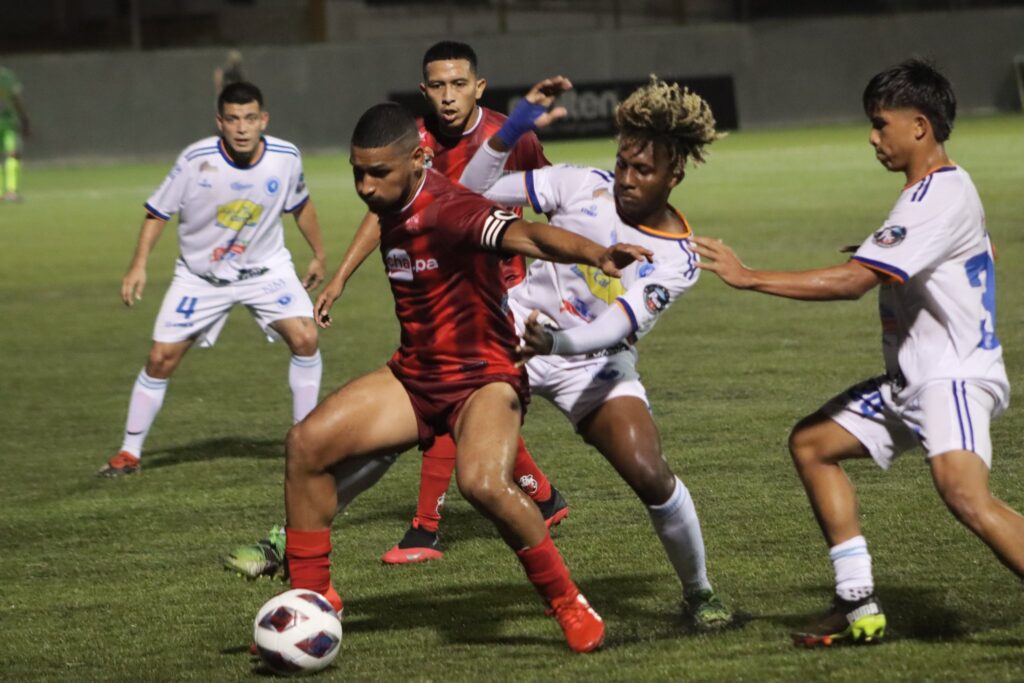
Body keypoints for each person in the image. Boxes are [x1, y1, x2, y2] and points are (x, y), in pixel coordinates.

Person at [283, 101, 652, 652]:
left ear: (418, 159)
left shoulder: (451, 209)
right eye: (357, 172)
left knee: (481, 483)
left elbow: (531, 236)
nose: (364, 186)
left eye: (377, 173)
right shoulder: (392, 199)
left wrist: (598, 254)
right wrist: (339, 278)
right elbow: (379, 214)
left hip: (485, 379)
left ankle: (567, 601)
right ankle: (311, 602)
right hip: (416, 375)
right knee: (306, 445)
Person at [691, 59, 1020, 646]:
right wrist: (882, 256)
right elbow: (975, 251)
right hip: (914, 380)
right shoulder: (941, 189)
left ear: (919, 126)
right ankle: (856, 600)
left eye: (880, 123)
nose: (872, 137)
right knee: (813, 444)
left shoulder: (935, 196)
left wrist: (750, 276)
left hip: (952, 377)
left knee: (967, 498)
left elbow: (851, 284)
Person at [223, 40, 566, 576]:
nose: (448, 96)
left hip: (501, 304)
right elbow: (383, 212)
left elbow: (552, 202)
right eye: (438, 86)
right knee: (446, 411)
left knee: (442, 402)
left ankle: (420, 530)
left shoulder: (510, 136)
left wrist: (565, 283)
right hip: (434, 294)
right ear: (424, 90)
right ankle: (541, 497)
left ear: (477, 87)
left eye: (458, 84)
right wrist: (341, 276)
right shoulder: (410, 141)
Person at [458, 75, 734, 629]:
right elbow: (470, 189)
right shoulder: (581, 183)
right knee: (413, 420)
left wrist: (557, 343)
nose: (627, 179)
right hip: (511, 334)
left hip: (591, 363)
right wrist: (513, 128)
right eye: (623, 164)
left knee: (650, 473)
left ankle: (699, 592)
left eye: (643, 170)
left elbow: (616, 326)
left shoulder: (678, 259)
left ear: (675, 175)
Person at [99, 81, 327, 477]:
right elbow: (158, 212)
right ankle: (129, 452)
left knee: (306, 337)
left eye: (250, 118)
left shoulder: (285, 157)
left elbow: (301, 205)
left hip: (266, 271)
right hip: (200, 278)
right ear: (220, 122)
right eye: (233, 119)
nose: (242, 128)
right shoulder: (195, 160)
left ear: (264, 120)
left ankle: (304, 441)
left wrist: (319, 254)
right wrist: (138, 264)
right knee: (160, 359)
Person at [0, 66, 30, 202]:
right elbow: (17, 99)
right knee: (13, 154)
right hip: (8, 122)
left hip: (8, 122)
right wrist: (25, 120)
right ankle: (11, 191)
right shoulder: (6, 76)